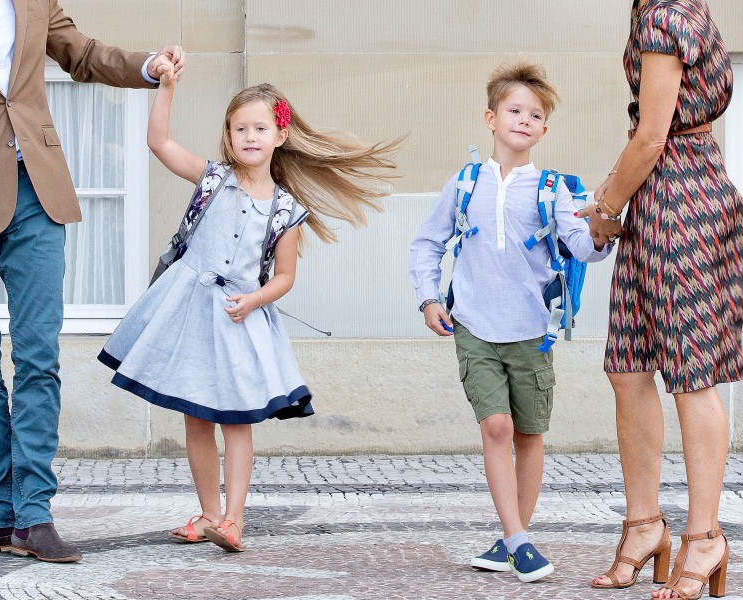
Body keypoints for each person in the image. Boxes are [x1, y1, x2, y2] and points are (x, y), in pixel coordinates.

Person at [98, 63, 401, 552]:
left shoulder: (286, 209)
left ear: (280, 134)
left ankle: (234, 520)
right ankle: (208, 514)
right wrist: (166, 88)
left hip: (238, 317)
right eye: (241, 129)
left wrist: (254, 299)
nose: (250, 136)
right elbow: (159, 143)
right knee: (195, 417)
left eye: (260, 128)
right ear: (229, 135)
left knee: (236, 419)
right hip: (189, 313)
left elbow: (284, 277)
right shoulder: (212, 179)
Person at [0, 0, 185, 563]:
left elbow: (84, 54)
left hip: (39, 196)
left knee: (37, 359)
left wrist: (149, 66)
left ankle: (33, 514)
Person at [410, 61, 612, 583]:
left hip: (532, 331)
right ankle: (521, 540)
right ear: (491, 118)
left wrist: (605, 228)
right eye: (514, 110)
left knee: (528, 434)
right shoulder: (466, 182)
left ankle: (509, 536)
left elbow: (582, 248)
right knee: (495, 426)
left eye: (535, 114)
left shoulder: (551, 188)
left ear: (544, 128)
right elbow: (427, 243)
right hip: (474, 325)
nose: (524, 120)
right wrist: (428, 298)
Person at [584, 1, 742, 598]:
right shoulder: (670, 10)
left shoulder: (667, 17)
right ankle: (645, 523)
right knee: (627, 368)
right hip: (667, 194)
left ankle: (705, 537)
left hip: (681, 201)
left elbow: (653, 135)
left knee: (691, 376)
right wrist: (617, 193)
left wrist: (604, 209)